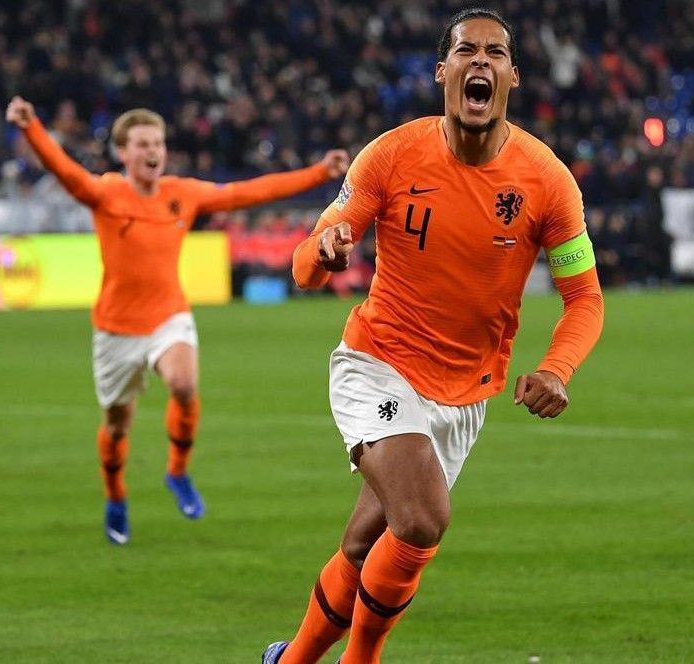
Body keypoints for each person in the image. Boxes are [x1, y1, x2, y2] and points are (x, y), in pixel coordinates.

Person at [263, 9, 605, 663]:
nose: (481, 61)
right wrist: (323, 252)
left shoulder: (547, 181)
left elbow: (584, 298)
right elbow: (307, 263)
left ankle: (290, 660)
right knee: (422, 518)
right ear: (442, 71)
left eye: (496, 53)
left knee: (365, 545)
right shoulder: (392, 155)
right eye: (467, 50)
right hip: (377, 362)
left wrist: (557, 368)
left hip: (464, 393)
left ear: (512, 76)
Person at [5, 96, 349, 545]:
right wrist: (31, 127)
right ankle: (115, 495)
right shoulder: (106, 193)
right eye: (142, 144)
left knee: (184, 384)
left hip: (168, 314)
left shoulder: (180, 193)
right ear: (123, 152)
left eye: (158, 143)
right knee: (117, 425)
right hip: (116, 329)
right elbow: (65, 171)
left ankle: (177, 471)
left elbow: (245, 192)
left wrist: (318, 173)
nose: (153, 151)